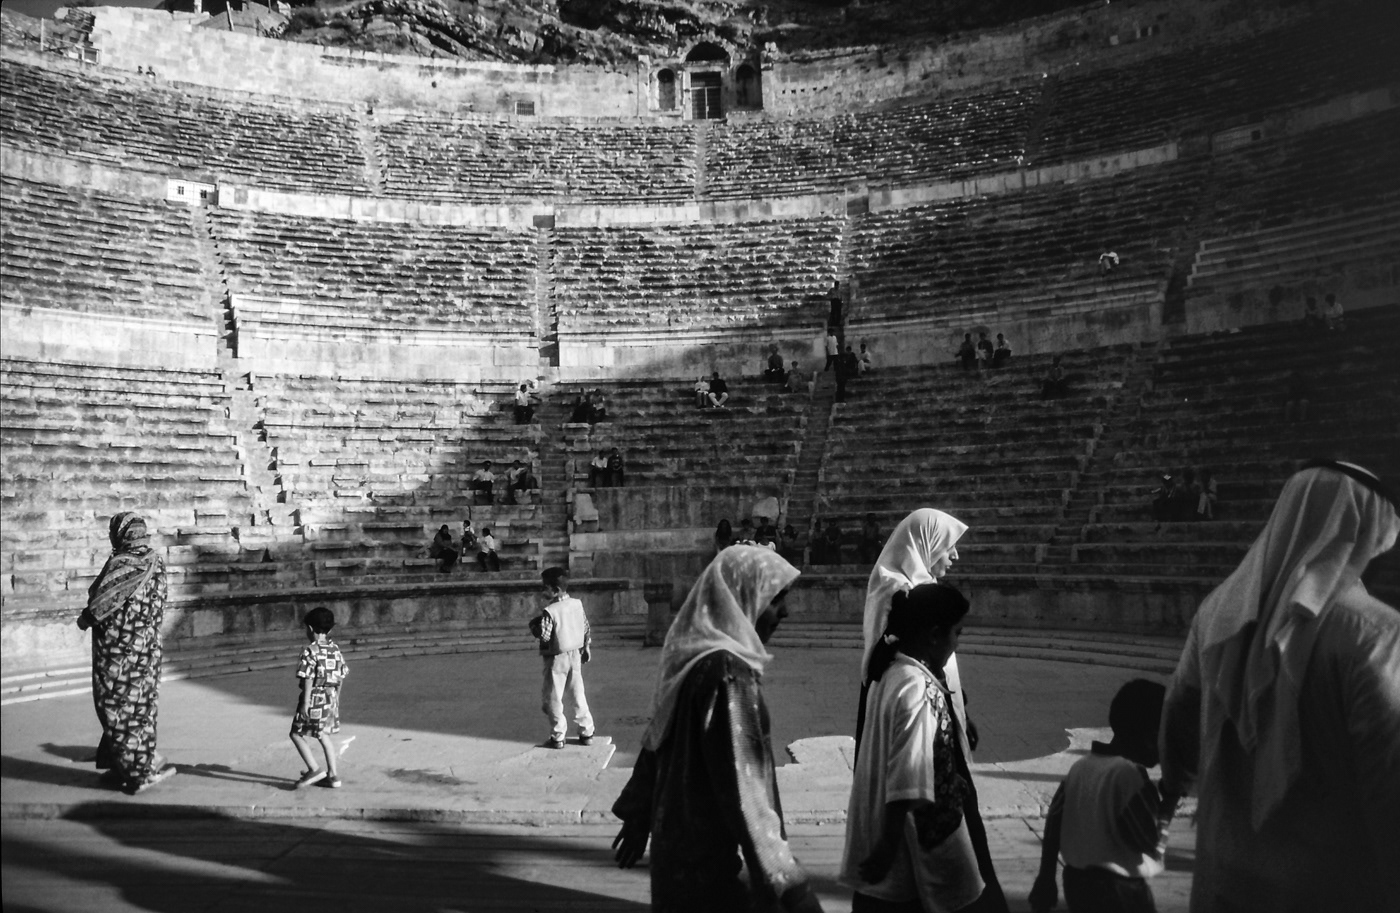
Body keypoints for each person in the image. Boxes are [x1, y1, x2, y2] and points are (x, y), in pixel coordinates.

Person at [1158, 460, 1400, 913]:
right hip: (1328, 890)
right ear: (1370, 529)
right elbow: (1390, 787)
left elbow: (1179, 725)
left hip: (1223, 880)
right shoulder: (1377, 634)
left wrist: (1177, 790)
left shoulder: (1217, 613)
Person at [612, 546, 825, 913]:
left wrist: (639, 812)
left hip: (677, 864)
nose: (784, 612)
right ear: (742, 599)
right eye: (775, 599)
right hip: (711, 873)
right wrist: (789, 885)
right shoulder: (729, 674)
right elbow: (746, 795)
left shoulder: (696, 658)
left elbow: (658, 735)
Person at [856, 508, 1008, 912]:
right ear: (926, 545)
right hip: (919, 720)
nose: (954, 555)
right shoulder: (897, 592)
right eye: (948, 546)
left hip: (935, 714)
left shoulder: (926, 592)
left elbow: (939, 669)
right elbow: (898, 666)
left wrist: (960, 711)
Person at [842, 582, 992, 913]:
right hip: (908, 853)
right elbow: (907, 774)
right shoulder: (918, 688)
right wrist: (887, 846)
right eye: (957, 634)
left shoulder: (892, 672)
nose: (957, 643)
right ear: (935, 635)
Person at [1029, 680, 1176, 913]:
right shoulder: (1131, 776)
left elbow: (1054, 823)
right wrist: (1169, 801)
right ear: (1151, 738)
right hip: (1121, 891)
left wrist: (1046, 876)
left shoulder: (1080, 768)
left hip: (1076, 883)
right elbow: (1151, 843)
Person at [76, 512, 176, 795]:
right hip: (147, 651)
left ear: (119, 534)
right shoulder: (155, 561)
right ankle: (121, 766)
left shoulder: (123, 563)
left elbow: (100, 603)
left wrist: (85, 619)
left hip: (119, 655)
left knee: (119, 708)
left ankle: (137, 774)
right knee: (140, 707)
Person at [529, 567, 595, 750]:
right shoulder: (577, 603)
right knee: (578, 694)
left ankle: (558, 735)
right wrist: (586, 647)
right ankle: (587, 731)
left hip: (556, 658)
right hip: (575, 654)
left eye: (545, 587)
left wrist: (535, 627)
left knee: (553, 697)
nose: (543, 591)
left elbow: (545, 636)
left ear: (555, 590)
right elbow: (585, 627)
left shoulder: (550, 610)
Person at [289, 606, 349, 789]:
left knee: (296, 733)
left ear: (310, 628)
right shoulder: (335, 649)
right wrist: (336, 700)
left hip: (315, 697)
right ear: (329, 630)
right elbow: (341, 676)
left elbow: (307, 678)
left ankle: (314, 769)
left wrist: (305, 703)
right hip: (331, 697)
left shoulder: (310, 651)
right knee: (323, 735)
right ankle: (333, 775)